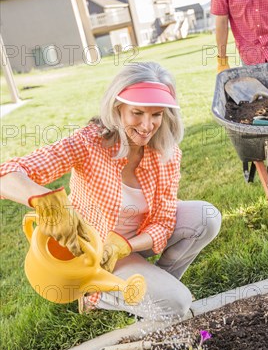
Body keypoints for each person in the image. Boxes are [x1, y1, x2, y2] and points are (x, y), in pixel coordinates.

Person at [0, 62, 221, 320]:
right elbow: (7, 174)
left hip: (129, 244)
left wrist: (124, 246)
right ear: (118, 109)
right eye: (137, 113)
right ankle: (96, 292)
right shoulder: (89, 143)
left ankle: (149, 287)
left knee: (207, 217)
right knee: (178, 304)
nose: (148, 125)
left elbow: (163, 222)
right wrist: (48, 203)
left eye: (157, 114)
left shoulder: (166, 153)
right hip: (96, 254)